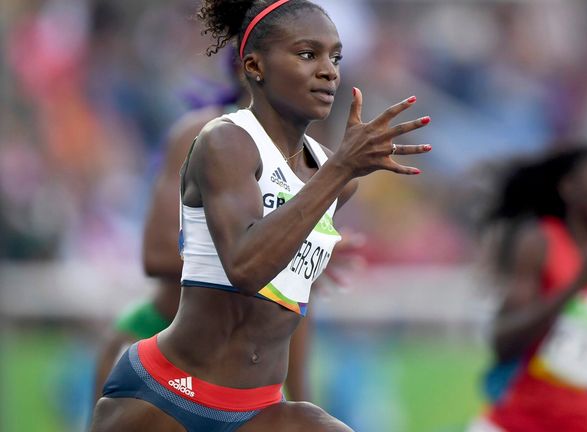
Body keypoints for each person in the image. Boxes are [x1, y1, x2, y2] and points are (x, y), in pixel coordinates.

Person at [90, 0, 431, 430]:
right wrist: (340, 170)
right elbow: (246, 269)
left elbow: (287, 303)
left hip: (257, 406)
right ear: (253, 65)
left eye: (336, 57)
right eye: (308, 55)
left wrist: (303, 392)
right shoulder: (222, 140)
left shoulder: (335, 176)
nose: (329, 71)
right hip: (170, 392)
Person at [470, 146, 587, 432]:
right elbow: (502, 342)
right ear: (569, 188)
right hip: (518, 424)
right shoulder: (541, 243)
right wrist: (577, 285)